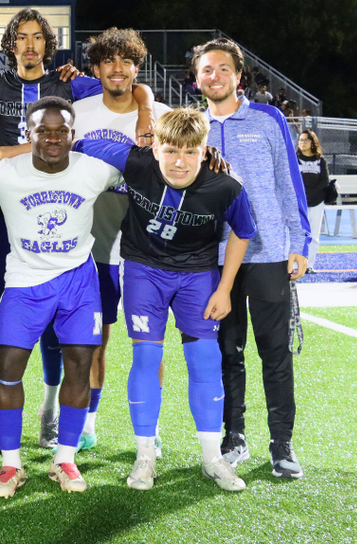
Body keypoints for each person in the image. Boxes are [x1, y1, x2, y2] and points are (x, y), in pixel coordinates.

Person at [0, 8, 155, 449]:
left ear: (48, 45)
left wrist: (144, 107)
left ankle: (51, 408)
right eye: (21, 38)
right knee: (15, 312)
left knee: (61, 323)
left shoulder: (70, 85)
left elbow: (128, 83)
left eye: (37, 38)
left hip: (66, 202)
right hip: (8, 204)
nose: (29, 45)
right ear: (10, 45)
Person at [74, 108, 256, 492]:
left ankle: (212, 458)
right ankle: (145, 456)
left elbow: (243, 233)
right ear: (153, 146)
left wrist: (224, 289)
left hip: (198, 276)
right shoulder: (134, 161)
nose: (179, 162)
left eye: (191, 152)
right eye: (170, 150)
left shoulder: (226, 185)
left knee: (205, 360)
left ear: (205, 150)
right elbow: (77, 143)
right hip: (144, 271)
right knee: (146, 358)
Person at [0, 96, 124, 498]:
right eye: (43, 131)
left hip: (77, 281)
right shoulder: (3, 174)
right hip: (24, 282)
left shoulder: (96, 169)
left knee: (79, 365)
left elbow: (150, 167)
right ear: (28, 133)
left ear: (73, 134)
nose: (53, 139)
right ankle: (11, 464)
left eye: (61, 132)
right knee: (9, 368)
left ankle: (65, 458)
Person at [193, 38, 310, 479]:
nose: (216, 76)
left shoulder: (267, 118)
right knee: (227, 351)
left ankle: (281, 443)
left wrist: (300, 242)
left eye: (224, 69)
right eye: (207, 69)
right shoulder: (191, 125)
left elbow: (288, 180)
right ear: (197, 77)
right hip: (213, 258)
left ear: (238, 76)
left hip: (268, 253)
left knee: (275, 352)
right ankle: (234, 437)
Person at [68, 27, 172, 454]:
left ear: (136, 68)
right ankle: (89, 423)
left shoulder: (160, 112)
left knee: (150, 342)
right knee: (98, 337)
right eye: (109, 61)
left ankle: (151, 428)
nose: (118, 69)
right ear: (95, 68)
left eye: (126, 61)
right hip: (98, 241)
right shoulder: (78, 111)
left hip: (149, 243)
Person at [297, 130, 329, 271]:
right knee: (297, 233)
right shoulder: (294, 159)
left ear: (312, 143)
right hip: (299, 202)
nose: (302, 143)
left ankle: (309, 265)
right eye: (300, 140)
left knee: (314, 235)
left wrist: (311, 193)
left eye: (305, 140)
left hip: (317, 202)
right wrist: (302, 195)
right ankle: (295, 265)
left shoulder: (320, 160)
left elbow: (324, 181)